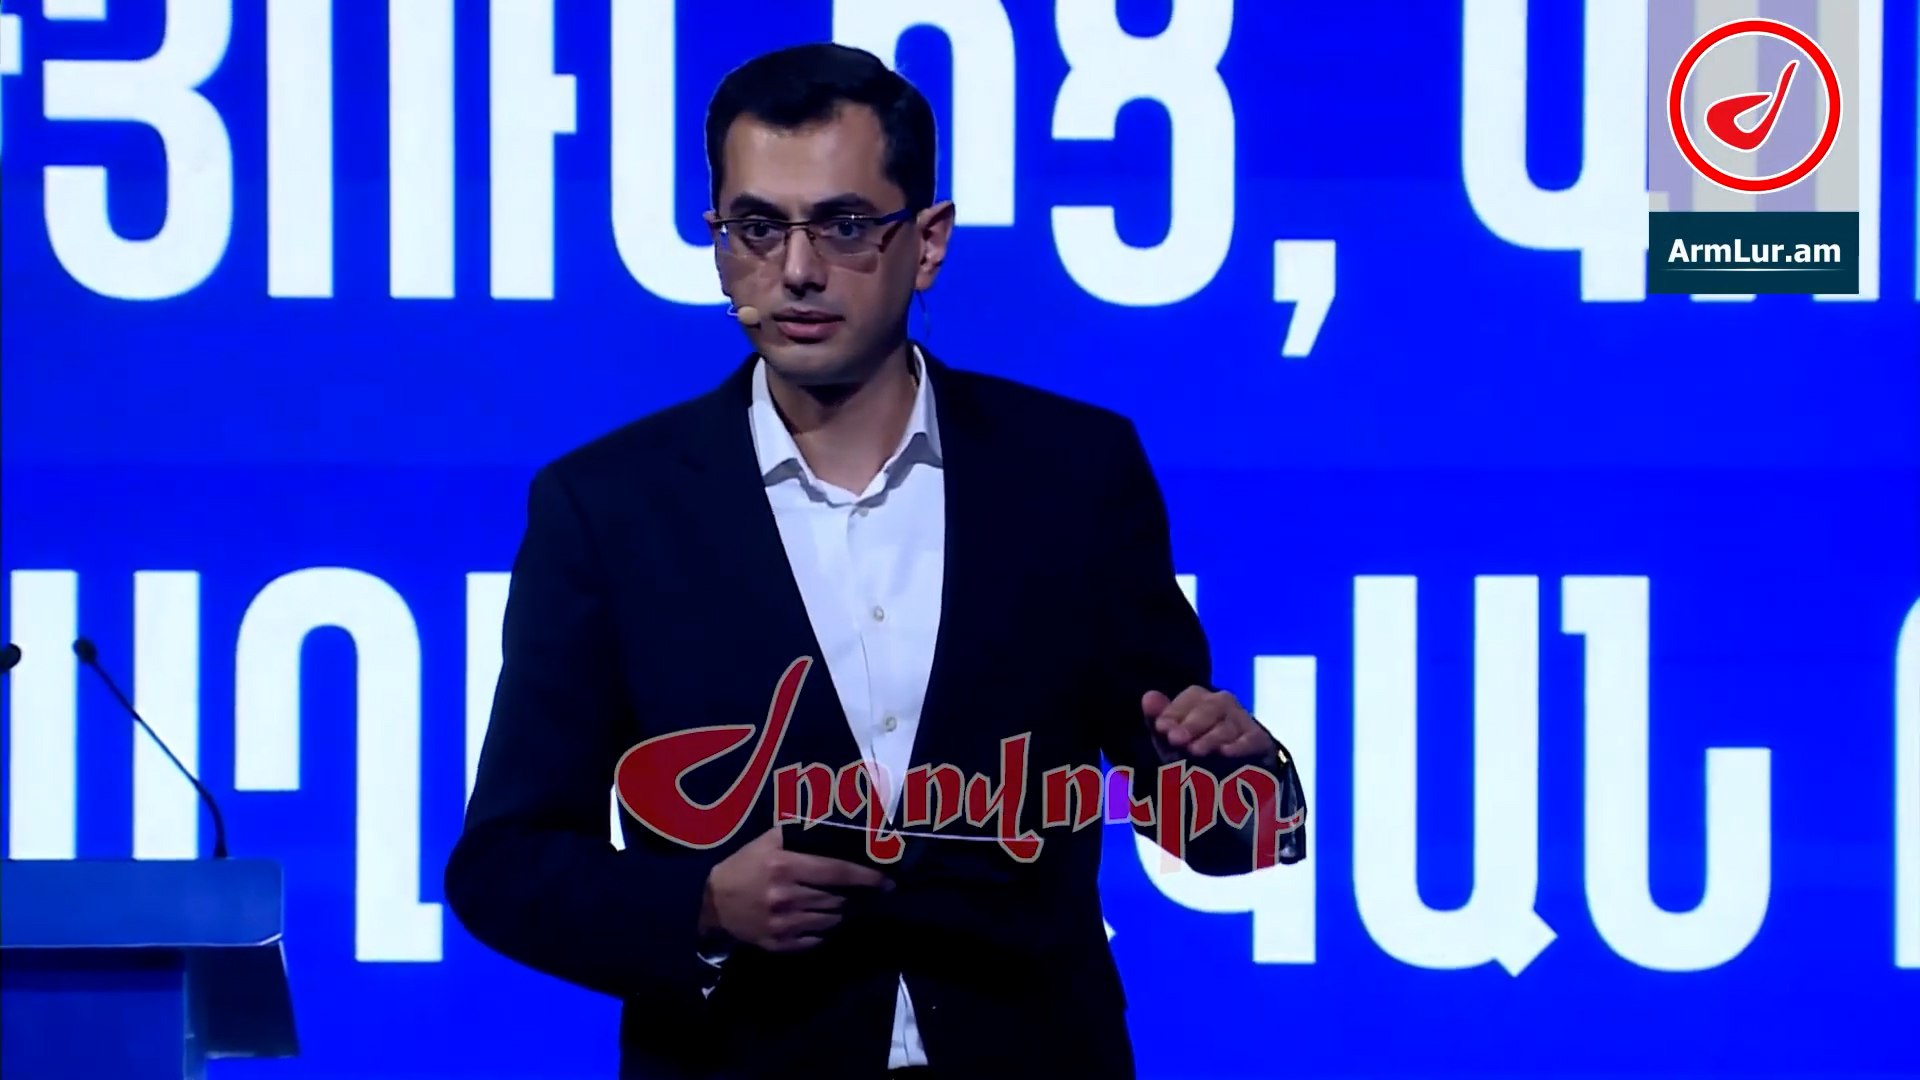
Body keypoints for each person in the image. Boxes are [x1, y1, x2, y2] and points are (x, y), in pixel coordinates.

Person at [444, 41, 1306, 1080]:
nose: (797, 270)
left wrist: (1236, 774)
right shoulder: (608, 508)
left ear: (928, 243)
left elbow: (1205, 815)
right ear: (718, 242)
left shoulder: (1073, 473)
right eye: (757, 228)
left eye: (845, 226)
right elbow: (508, 863)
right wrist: (701, 905)